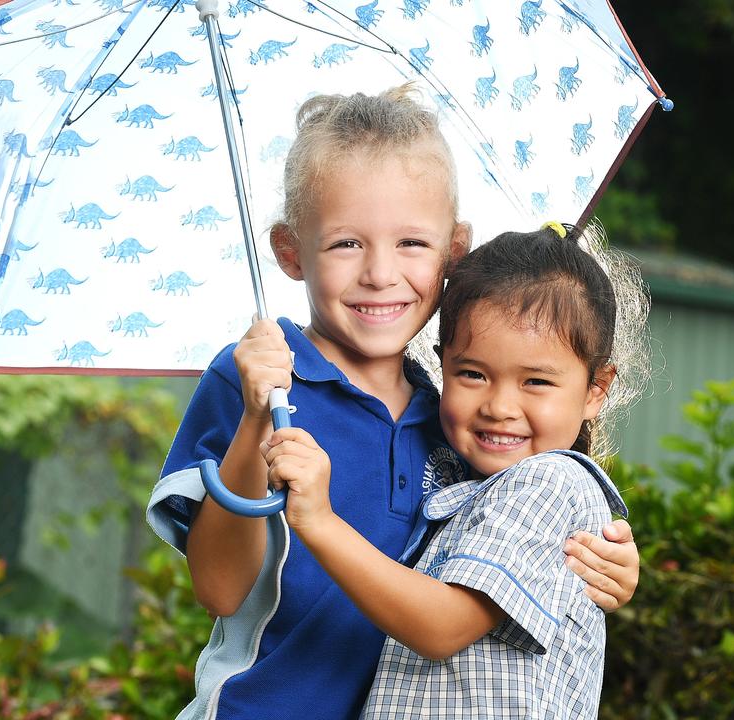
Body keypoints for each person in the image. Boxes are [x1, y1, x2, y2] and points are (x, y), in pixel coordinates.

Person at [145, 86, 639, 720]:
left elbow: (520, 532)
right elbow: (217, 590)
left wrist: (602, 567)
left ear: (452, 251)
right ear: (292, 252)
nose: (380, 273)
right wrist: (253, 423)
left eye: (411, 244)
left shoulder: (456, 417)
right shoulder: (258, 381)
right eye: (347, 244)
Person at [261, 222, 646, 718]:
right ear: (441, 363)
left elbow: (440, 627)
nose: (500, 406)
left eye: (536, 382)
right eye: (472, 374)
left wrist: (319, 521)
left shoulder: (550, 481)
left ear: (596, 389)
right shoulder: (457, 474)